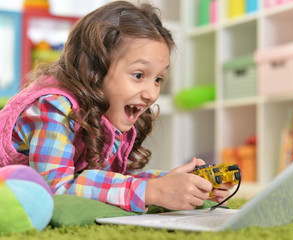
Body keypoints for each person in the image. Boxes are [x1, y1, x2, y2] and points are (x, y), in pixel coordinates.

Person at [0, 0, 232, 212]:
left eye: (158, 79)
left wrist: (170, 183)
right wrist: (152, 191)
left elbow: (112, 179)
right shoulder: (54, 107)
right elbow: (53, 189)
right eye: (139, 75)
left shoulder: (110, 112)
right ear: (94, 70)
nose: (152, 94)